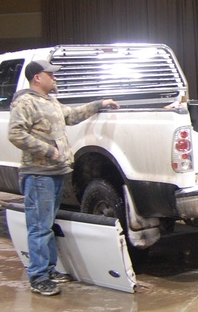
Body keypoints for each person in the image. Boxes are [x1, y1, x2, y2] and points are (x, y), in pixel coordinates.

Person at [8, 59, 119, 296]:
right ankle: (38, 277)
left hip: (55, 173)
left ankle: (48, 270)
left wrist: (99, 104)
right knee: (39, 227)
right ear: (38, 77)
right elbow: (15, 133)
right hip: (39, 175)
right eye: (51, 74)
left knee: (46, 225)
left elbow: (72, 115)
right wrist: (49, 151)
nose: (55, 78)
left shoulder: (49, 102)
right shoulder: (26, 102)